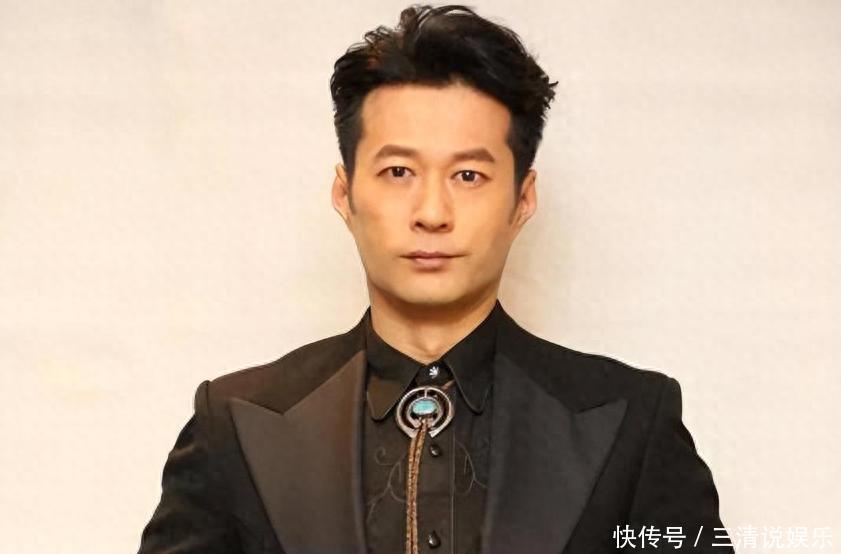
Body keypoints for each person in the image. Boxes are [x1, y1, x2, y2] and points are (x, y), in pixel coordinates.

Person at [137, 4, 732, 553]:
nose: (431, 212)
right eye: (398, 171)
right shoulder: (234, 424)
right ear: (345, 194)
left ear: (522, 199)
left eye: (468, 176)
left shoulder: (632, 423)